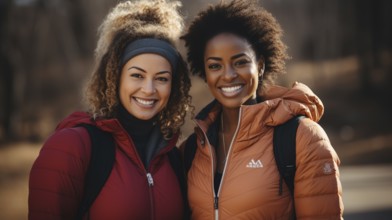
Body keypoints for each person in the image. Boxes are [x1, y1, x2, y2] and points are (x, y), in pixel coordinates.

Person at [180, 0, 344, 219]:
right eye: (215, 66)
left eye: (240, 62)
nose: (228, 75)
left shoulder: (302, 139)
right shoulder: (192, 148)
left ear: (260, 64)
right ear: (205, 72)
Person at [28, 0, 191, 219]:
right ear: (115, 78)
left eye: (162, 78)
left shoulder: (173, 157)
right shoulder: (72, 147)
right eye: (137, 75)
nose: (149, 89)